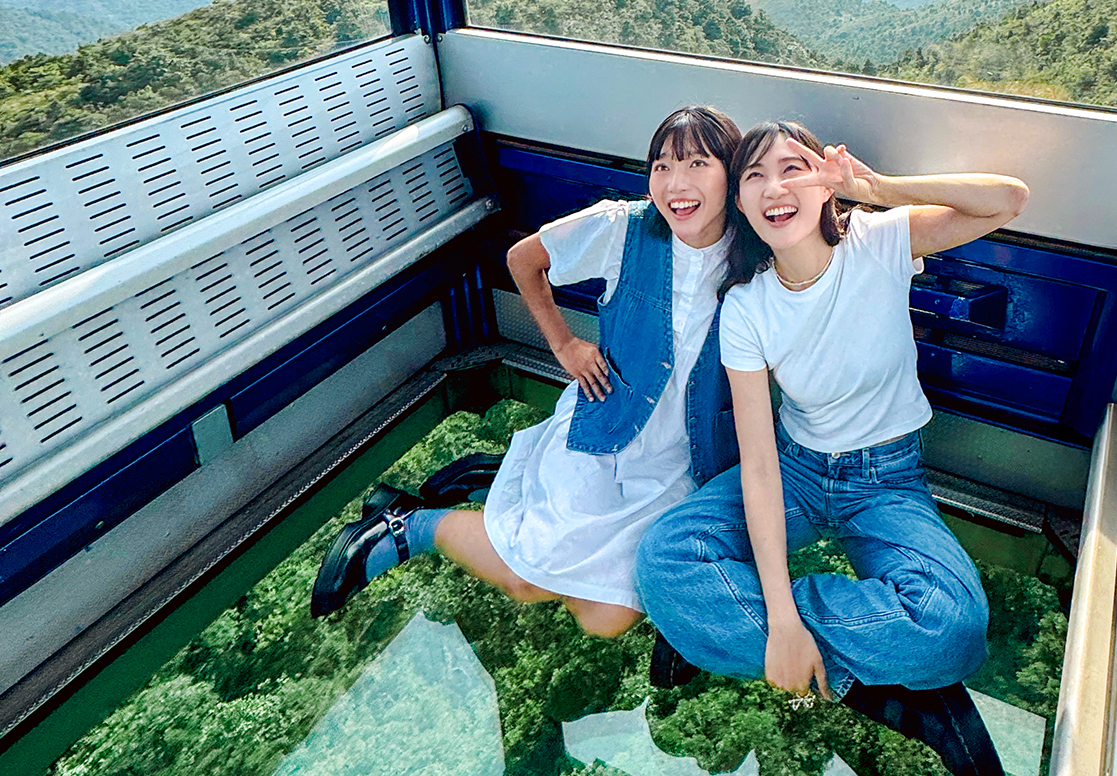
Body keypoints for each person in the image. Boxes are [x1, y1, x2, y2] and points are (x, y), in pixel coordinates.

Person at [637, 121, 1029, 776]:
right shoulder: (747, 309)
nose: (773, 187)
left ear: (823, 185)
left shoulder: (876, 243)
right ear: (740, 203)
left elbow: (1008, 198)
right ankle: (877, 690)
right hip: (794, 470)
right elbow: (759, 466)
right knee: (661, 563)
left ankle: (720, 628)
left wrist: (874, 187)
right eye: (754, 176)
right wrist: (783, 621)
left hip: (886, 480)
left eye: (793, 169)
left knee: (952, 625)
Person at [312, 106, 743, 637]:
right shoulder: (623, 228)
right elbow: (522, 259)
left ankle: (503, 487)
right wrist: (564, 345)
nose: (676, 184)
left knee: (602, 620)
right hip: (607, 432)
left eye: (697, 164)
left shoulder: (755, 252)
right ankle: (410, 525)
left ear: (733, 171)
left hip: (679, 458)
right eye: (661, 166)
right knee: (528, 582)